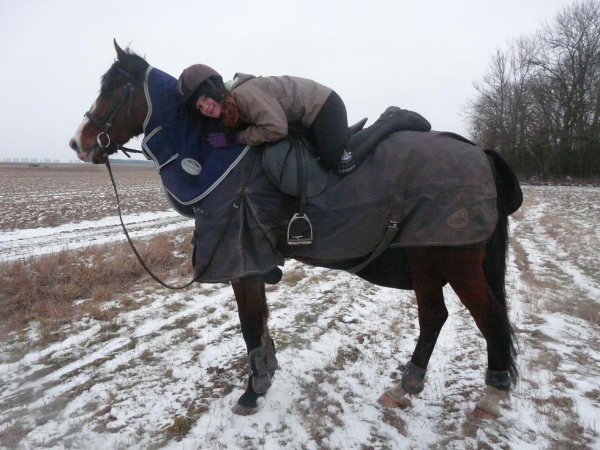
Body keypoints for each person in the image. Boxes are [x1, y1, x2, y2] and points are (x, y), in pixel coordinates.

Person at [177, 64, 431, 175]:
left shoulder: (244, 95)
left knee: (340, 164)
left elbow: (276, 128)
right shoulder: (233, 105)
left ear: (213, 89)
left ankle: (392, 120)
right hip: (307, 118)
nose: (205, 107)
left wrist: (237, 137)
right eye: (199, 107)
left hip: (322, 107)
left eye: (205, 99)